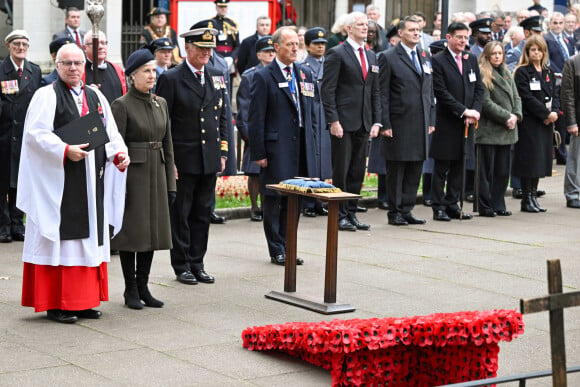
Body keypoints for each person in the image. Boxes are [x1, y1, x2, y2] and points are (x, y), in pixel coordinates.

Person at [18, 43, 129, 324]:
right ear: (57, 66)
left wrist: (119, 154)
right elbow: (35, 135)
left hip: (92, 181)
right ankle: (58, 302)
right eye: (67, 63)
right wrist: (65, 150)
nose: (73, 68)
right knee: (62, 240)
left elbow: (111, 133)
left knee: (89, 236)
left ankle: (84, 301)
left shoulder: (96, 97)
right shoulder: (46, 96)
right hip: (60, 181)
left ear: (85, 66)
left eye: (78, 63)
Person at [156, 20, 228, 285]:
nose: (206, 54)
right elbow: (165, 123)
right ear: (187, 48)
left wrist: (223, 153)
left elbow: (222, 117)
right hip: (184, 159)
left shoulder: (216, 75)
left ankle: (198, 262)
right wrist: (169, 160)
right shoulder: (172, 78)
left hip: (208, 157)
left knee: (202, 213)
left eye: (209, 49)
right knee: (182, 214)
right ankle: (182, 264)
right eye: (200, 49)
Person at [110, 48, 176, 310]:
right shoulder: (121, 105)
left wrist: (170, 183)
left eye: (153, 71)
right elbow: (116, 147)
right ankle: (130, 289)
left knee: (151, 233)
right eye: (146, 71)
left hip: (156, 173)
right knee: (131, 233)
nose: (152, 75)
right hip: (133, 176)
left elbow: (168, 146)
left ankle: (144, 286)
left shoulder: (161, 103)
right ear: (132, 75)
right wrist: (118, 185)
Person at [248, 27, 316, 265]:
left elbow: (309, 112)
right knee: (274, 199)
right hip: (276, 149)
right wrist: (259, 152)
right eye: (290, 44)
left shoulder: (304, 73)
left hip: (299, 147)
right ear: (276, 47)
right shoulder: (264, 76)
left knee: (294, 199)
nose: (295, 48)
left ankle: (290, 246)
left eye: (297, 44)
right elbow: (256, 118)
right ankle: (276, 248)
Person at [321, 11, 381, 232]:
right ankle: (339, 215)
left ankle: (352, 212)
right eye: (360, 24)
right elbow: (327, 90)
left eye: (367, 24)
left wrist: (377, 120)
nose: (365, 28)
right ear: (349, 29)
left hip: (364, 122)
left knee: (357, 170)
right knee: (342, 170)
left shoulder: (371, 55)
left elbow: (375, 91)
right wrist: (333, 120)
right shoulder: (337, 54)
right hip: (344, 122)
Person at [378, 16, 435, 226]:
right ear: (400, 33)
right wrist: (385, 123)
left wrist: (431, 117)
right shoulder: (389, 57)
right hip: (399, 122)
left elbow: (429, 89)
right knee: (397, 168)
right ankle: (394, 211)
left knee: (415, 167)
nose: (416, 33)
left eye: (418, 30)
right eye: (411, 30)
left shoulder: (424, 55)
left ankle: (407, 208)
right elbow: (382, 93)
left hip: (420, 121)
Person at [430, 22, 483, 222]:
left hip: (467, 123)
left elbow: (479, 89)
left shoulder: (471, 60)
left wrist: (475, 111)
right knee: (442, 167)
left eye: (465, 37)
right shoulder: (438, 61)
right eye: (459, 37)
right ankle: (438, 206)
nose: (463, 41)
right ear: (449, 37)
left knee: (460, 166)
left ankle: (452, 204)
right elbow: (441, 92)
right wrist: (463, 111)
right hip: (447, 122)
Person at [0, 30, 42, 243]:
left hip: (26, 135)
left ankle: (17, 224)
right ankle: (3, 225)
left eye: (24, 44)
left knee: (20, 181)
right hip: (4, 134)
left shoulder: (34, 71)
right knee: (2, 182)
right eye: (16, 44)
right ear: (8, 46)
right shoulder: (1, 69)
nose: (21, 47)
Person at [475, 41, 522, 217]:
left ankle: (498, 202)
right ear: (487, 55)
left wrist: (516, 115)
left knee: (502, 171)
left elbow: (516, 96)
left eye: (500, 53)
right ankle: (485, 205)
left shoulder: (507, 72)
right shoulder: (483, 73)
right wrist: (506, 117)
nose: (497, 56)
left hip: (508, 129)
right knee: (486, 171)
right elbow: (486, 103)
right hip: (489, 130)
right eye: (493, 53)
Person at [513, 35, 558, 213]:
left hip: (546, 124)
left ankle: (533, 196)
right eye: (533, 50)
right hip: (530, 123)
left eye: (539, 50)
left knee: (539, 161)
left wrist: (554, 112)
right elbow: (527, 98)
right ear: (527, 52)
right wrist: (545, 114)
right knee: (529, 161)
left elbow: (555, 94)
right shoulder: (523, 72)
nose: (536, 53)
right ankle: (526, 198)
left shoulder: (548, 72)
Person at [237, 36, 276, 221]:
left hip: (273, 130)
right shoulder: (250, 75)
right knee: (254, 172)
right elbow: (244, 108)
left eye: (272, 51)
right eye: (266, 51)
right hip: (255, 130)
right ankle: (255, 207)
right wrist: (248, 135)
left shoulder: (278, 72)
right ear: (259, 54)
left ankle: (270, 205)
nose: (270, 54)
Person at [299, 27, 332, 217]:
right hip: (312, 113)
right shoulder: (304, 67)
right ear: (308, 46)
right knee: (313, 159)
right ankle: (309, 202)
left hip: (326, 115)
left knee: (325, 161)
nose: (320, 47)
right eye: (316, 44)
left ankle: (320, 200)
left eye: (323, 44)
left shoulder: (329, 64)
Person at [544, 12, 574, 165]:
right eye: (555, 23)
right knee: (559, 119)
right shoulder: (546, 39)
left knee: (566, 119)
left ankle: (564, 153)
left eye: (560, 23)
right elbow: (547, 62)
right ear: (550, 24)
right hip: (556, 83)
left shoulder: (567, 39)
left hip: (568, 83)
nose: (558, 26)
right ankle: (560, 153)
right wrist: (564, 74)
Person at [83, 31, 127, 103]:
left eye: (103, 43)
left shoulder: (117, 69)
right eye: (95, 43)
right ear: (85, 48)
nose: (100, 47)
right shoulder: (80, 71)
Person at [561, 43, 580, 208]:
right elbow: (567, 95)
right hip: (578, 121)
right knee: (575, 158)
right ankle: (573, 193)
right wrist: (572, 122)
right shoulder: (573, 62)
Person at [212, 0, 240, 80]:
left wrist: (232, 58)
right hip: (216, 60)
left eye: (225, 7)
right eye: (221, 7)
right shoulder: (211, 23)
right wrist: (219, 58)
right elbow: (210, 44)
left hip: (230, 60)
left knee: (229, 86)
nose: (223, 9)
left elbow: (237, 45)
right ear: (216, 7)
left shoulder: (232, 24)